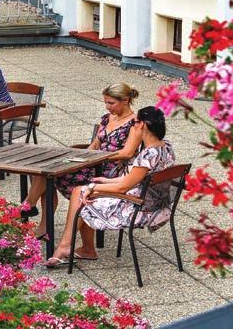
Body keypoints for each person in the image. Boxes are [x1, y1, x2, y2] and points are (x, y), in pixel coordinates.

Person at [45, 106, 176, 268]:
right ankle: (72, 247)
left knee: (80, 193)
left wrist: (92, 188)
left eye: (134, 123)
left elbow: (123, 188)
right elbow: (130, 180)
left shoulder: (148, 155)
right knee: (82, 190)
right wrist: (102, 181)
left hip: (138, 208)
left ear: (141, 125)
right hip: (155, 204)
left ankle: (66, 247)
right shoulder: (166, 148)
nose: (132, 127)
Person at [23, 83, 142, 240]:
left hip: (111, 173)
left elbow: (127, 153)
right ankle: (33, 212)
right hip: (93, 164)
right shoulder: (107, 118)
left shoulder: (135, 123)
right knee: (46, 170)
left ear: (126, 100)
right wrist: (84, 156)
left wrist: (97, 157)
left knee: (51, 176)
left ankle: (26, 209)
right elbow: (94, 144)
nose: (107, 107)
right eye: (105, 102)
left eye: (111, 103)